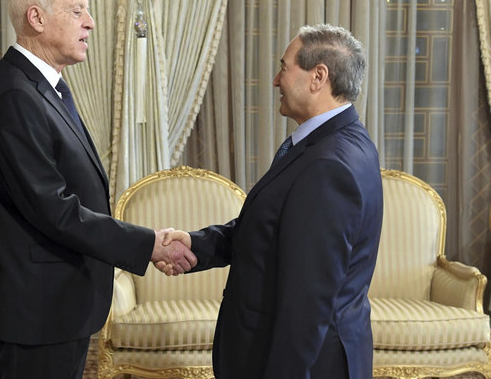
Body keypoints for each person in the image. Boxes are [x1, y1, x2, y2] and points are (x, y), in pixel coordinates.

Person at [0, 0, 195, 379]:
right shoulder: (14, 97)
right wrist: (148, 244)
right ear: (36, 18)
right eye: (78, 11)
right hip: (37, 306)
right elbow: (54, 210)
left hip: (56, 300)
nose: (90, 23)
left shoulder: (42, 87)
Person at [159, 24, 383, 378]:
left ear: (318, 77)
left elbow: (308, 303)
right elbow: (273, 232)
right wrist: (197, 244)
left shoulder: (328, 164)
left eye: (284, 66)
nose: (276, 80)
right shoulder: (333, 142)